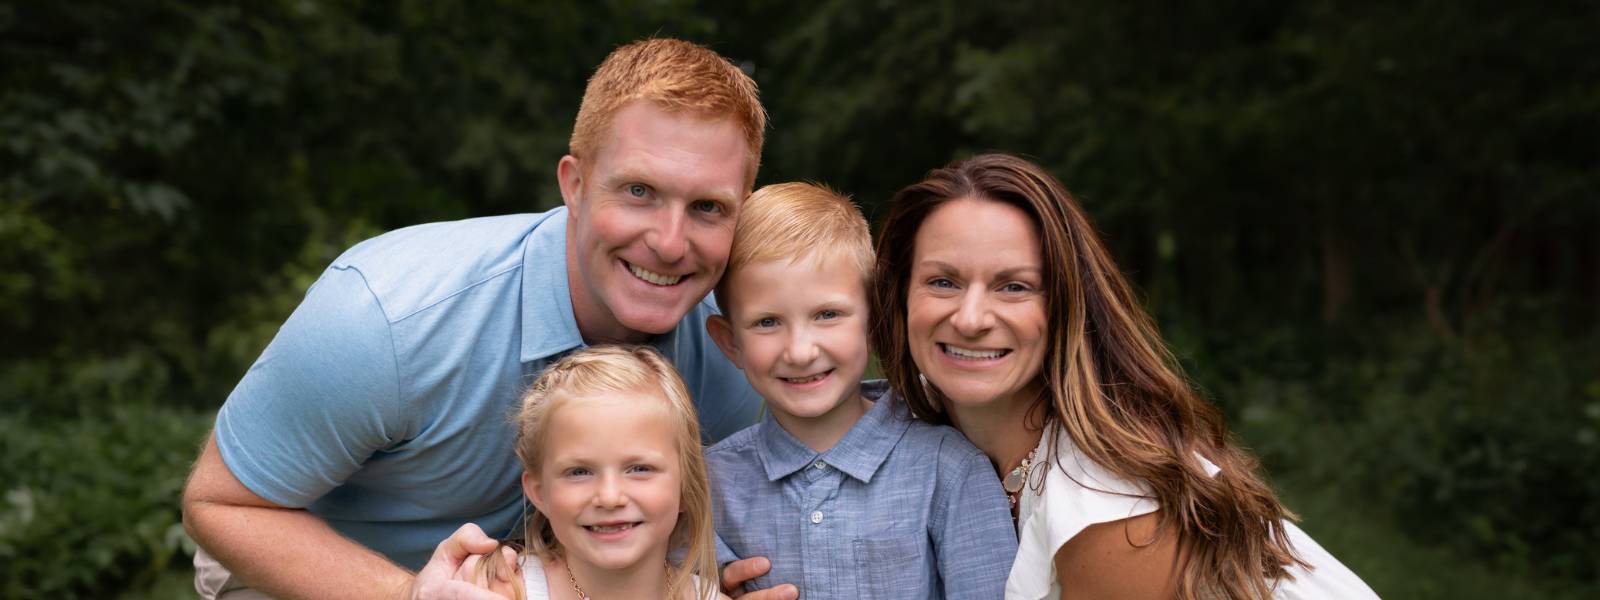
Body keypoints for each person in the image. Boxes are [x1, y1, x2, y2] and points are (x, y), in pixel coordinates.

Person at [180, 38, 780, 600]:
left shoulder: (733, 346)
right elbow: (222, 505)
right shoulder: (390, 319)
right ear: (575, 185)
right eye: (640, 191)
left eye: (707, 207)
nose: (671, 244)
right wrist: (409, 595)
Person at [868, 153, 1380, 599]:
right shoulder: (904, 441)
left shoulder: (1108, 506)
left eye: (1014, 287)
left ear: (1067, 307)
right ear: (900, 296)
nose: (971, 318)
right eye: (942, 281)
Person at [702, 183, 1018, 598]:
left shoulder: (949, 470)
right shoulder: (707, 485)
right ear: (730, 343)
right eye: (767, 322)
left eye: (827, 314)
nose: (800, 351)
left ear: (874, 322)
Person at [463, 345, 725, 600]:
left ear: (686, 485)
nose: (610, 497)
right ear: (540, 493)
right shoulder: (498, 591)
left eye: (639, 469)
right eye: (579, 472)